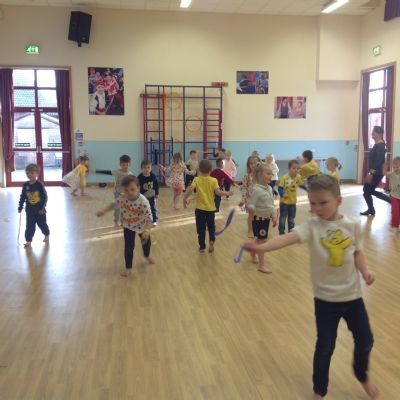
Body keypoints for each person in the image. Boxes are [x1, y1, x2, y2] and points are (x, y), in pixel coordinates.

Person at [244, 175, 379, 400]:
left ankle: (361, 374)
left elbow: (357, 252)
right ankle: (319, 390)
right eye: (313, 203)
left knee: (366, 341)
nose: (316, 208)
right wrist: (261, 248)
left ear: (338, 201)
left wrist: (365, 272)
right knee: (325, 347)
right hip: (325, 301)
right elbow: (286, 239)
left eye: (322, 202)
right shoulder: (312, 227)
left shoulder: (352, 225)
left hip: (353, 298)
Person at [96, 175, 154, 277]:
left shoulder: (143, 202)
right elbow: (113, 205)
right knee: (128, 247)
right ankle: (128, 268)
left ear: (138, 188)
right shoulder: (123, 198)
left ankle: (147, 255)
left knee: (146, 243)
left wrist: (147, 230)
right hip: (128, 225)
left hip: (142, 226)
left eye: (132, 189)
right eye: (126, 190)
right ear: (123, 190)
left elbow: (149, 218)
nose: (129, 192)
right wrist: (103, 211)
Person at [183, 159, 233, 253]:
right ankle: (211, 241)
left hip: (200, 210)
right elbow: (218, 192)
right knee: (211, 227)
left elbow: (190, 189)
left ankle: (202, 247)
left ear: (199, 170)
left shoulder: (197, 179)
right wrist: (227, 193)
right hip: (210, 210)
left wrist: (185, 198)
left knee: (201, 228)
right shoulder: (213, 180)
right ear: (210, 170)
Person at [247, 162, 277, 273]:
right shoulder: (256, 190)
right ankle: (261, 265)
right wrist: (250, 208)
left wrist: (273, 217)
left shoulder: (269, 188)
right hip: (259, 220)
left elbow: (271, 204)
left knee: (259, 239)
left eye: (271, 173)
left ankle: (253, 250)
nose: (271, 176)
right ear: (260, 175)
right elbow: (251, 204)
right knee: (262, 241)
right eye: (268, 173)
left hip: (266, 219)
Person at [93, 154, 134, 226]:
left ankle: (123, 221)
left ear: (129, 164)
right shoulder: (117, 172)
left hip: (126, 195)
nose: (125, 166)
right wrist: (97, 171)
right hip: (118, 193)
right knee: (117, 208)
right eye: (123, 165)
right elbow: (108, 172)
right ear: (120, 164)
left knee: (124, 209)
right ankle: (116, 221)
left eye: (127, 165)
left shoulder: (131, 174)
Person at [18, 164, 50, 248]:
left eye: (32, 173)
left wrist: (42, 208)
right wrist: (20, 206)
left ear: (37, 173)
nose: (29, 175)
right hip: (30, 211)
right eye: (27, 173)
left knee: (42, 225)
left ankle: (46, 234)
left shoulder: (39, 185)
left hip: (40, 211)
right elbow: (23, 196)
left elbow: (45, 197)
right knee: (29, 226)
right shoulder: (25, 185)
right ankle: (28, 240)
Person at [361, 126, 390, 216]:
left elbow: (378, 161)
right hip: (374, 172)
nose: (372, 134)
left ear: (379, 134)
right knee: (367, 191)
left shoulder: (380, 146)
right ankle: (371, 209)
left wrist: (371, 173)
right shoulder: (377, 144)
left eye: (373, 133)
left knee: (367, 190)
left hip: (376, 173)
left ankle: (391, 201)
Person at [278, 159, 302, 235]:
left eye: (297, 168)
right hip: (284, 203)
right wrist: (282, 194)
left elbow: (301, 184)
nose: (296, 170)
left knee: (291, 219)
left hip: (293, 202)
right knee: (282, 219)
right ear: (289, 168)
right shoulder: (284, 178)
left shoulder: (298, 177)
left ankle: (291, 233)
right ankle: (281, 233)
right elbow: (280, 188)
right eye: (294, 168)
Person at [239, 155, 259, 238]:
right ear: (248, 165)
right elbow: (244, 188)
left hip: (259, 200)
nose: (253, 165)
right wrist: (243, 199)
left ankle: (256, 229)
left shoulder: (261, 175)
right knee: (251, 215)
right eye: (251, 163)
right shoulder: (247, 176)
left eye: (255, 163)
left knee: (258, 215)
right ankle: (250, 230)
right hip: (250, 199)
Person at [138, 159, 159, 224]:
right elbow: (136, 186)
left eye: (148, 167)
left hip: (151, 196)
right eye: (144, 168)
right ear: (141, 168)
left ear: (151, 168)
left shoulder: (153, 176)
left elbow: (156, 185)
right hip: (143, 197)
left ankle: (154, 220)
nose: (147, 169)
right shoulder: (139, 177)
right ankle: (144, 220)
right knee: (143, 208)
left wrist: (157, 193)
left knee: (152, 208)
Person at [384, 156, 400, 232]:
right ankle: (394, 225)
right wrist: (384, 168)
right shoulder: (392, 174)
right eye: (394, 167)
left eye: (397, 167)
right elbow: (385, 174)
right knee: (395, 211)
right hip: (394, 196)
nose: (395, 169)